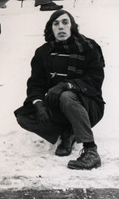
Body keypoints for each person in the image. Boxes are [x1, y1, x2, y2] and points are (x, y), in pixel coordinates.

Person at [14, 10, 105, 170]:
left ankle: (91, 151)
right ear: (51, 29)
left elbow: (95, 81)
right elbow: (35, 84)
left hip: (88, 105)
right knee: (24, 116)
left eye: (65, 22)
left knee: (66, 96)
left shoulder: (88, 47)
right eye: (55, 24)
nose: (60, 27)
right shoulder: (43, 52)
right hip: (55, 104)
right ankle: (67, 132)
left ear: (72, 26)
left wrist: (66, 85)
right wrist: (39, 104)